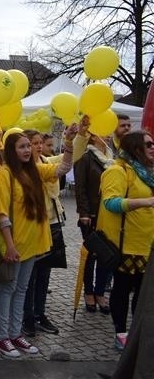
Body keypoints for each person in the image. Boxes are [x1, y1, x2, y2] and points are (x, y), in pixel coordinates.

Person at [0, 125, 75, 358]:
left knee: (21, 289)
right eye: (22, 147)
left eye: (29, 146)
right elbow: (2, 213)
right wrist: (9, 244)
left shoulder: (36, 171)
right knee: (8, 288)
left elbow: (64, 167)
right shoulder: (5, 174)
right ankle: (2, 337)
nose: (28, 150)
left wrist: (68, 142)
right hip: (15, 242)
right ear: (11, 150)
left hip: (33, 241)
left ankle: (16, 333)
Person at [97, 129, 154, 350]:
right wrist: (144, 202)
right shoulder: (118, 171)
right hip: (126, 244)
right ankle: (120, 331)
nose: (152, 148)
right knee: (122, 289)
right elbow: (110, 203)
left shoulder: (147, 173)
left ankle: (138, 331)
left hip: (147, 243)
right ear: (135, 148)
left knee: (142, 292)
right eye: (148, 144)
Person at [21, 129, 67, 337]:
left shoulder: (47, 162)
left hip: (52, 222)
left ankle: (40, 313)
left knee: (44, 274)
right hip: (34, 224)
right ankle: (27, 316)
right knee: (30, 275)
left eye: (40, 142)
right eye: (33, 143)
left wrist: (75, 139)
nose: (38, 146)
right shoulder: (26, 169)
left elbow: (67, 162)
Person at [74, 117, 115, 314]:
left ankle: (100, 292)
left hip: (109, 214)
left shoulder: (111, 157)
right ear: (92, 137)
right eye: (102, 132)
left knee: (106, 254)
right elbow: (80, 187)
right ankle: (89, 292)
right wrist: (84, 212)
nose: (107, 135)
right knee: (91, 254)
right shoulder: (85, 157)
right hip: (91, 214)